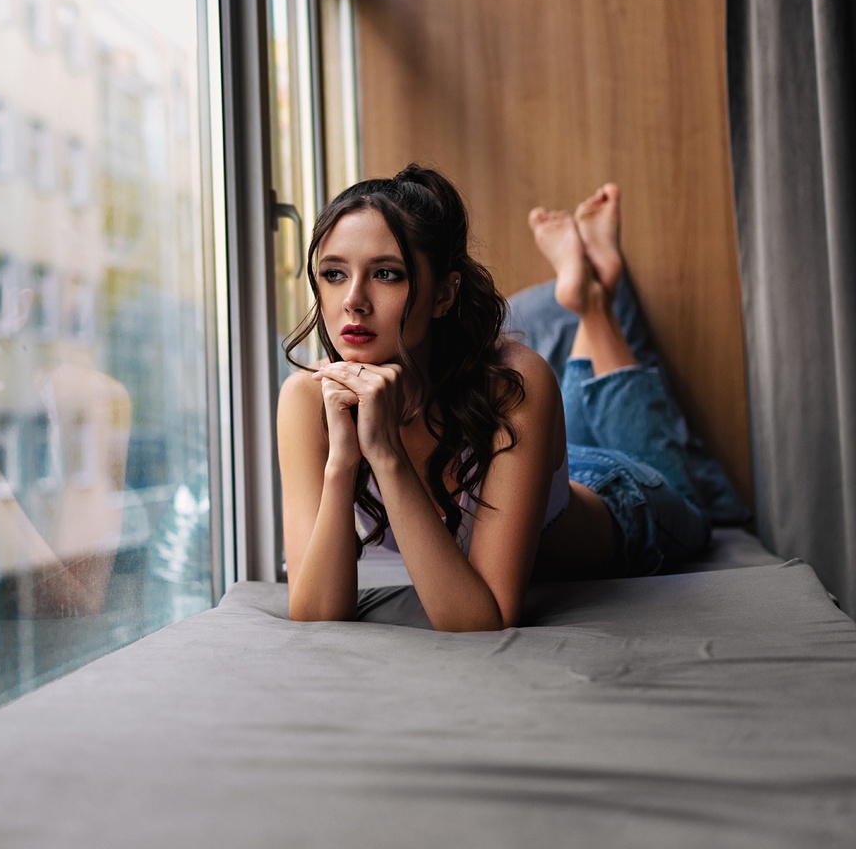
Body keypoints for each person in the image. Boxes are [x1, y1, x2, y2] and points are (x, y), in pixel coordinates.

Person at [277, 165, 712, 631]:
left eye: (387, 274)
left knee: (692, 501)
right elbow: (316, 612)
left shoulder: (513, 383)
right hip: (530, 466)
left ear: (445, 293)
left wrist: (385, 453)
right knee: (569, 430)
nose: (353, 300)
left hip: (620, 501)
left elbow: (482, 619)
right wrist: (343, 461)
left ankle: (594, 303)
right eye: (334, 273)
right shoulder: (308, 398)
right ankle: (587, 293)